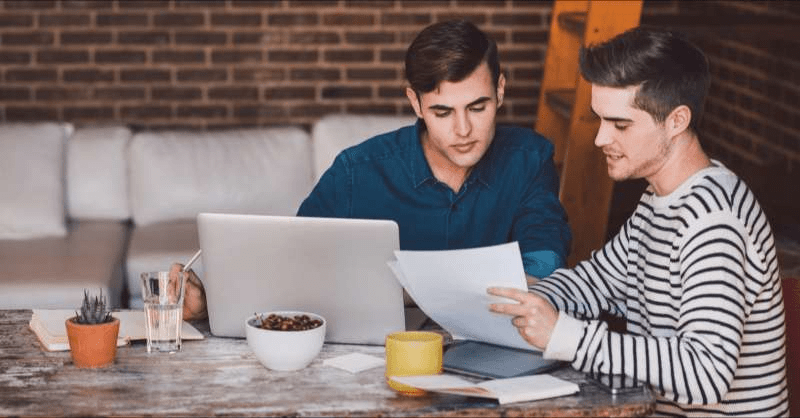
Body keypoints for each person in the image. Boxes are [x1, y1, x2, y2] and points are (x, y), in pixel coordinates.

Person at [176, 20, 572, 321]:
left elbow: (544, 264)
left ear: (500, 91)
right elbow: (291, 270)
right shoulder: (356, 172)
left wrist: (410, 288)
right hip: (378, 360)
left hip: (495, 352)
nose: (464, 130)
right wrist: (210, 303)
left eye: (478, 107)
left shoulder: (530, 158)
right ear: (415, 103)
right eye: (442, 111)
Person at [488, 27, 788, 416]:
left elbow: (707, 372)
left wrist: (566, 336)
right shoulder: (659, 199)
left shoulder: (714, 222)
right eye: (599, 120)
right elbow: (596, 282)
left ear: (677, 120)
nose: (600, 139)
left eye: (620, 124)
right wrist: (522, 297)